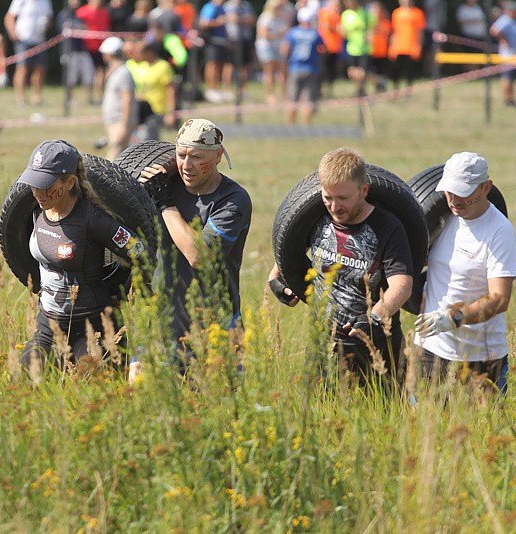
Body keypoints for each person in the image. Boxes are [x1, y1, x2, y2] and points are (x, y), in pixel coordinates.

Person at [0, 140, 149, 370]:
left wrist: (125, 293)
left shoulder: (93, 219)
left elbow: (140, 252)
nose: (37, 193)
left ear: (70, 182)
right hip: (49, 325)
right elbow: (38, 239)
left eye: (45, 185)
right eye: (34, 184)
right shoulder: (36, 212)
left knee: (94, 392)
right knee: (22, 380)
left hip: (93, 326)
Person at [268, 147, 413, 386]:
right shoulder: (316, 217)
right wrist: (276, 278)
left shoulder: (387, 226)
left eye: (343, 199)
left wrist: (373, 318)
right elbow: (290, 247)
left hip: (374, 348)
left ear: (363, 190)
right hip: (322, 346)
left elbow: (402, 284)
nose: (334, 207)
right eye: (328, 198)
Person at [139, 119, 252, 369]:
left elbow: (200, 256)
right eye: (181, 155)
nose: (187, 166)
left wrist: (165, 204)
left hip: (215, 328)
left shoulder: (233, 200)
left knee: (217, 404)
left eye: (197, 157)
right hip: (163, 322)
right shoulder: (164, 183)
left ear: (219, 156)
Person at [414, 153, 516, 394]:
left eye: (464, 192)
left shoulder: (499, 231)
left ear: (486, 187)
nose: (455, 200)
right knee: (425, 426)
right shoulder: (440, 219)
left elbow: (499, 299)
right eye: (449, 191)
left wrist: (452, 318)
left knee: (482, 428)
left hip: (480, 354)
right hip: (430, 348)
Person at [5, 0, 53, 106]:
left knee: (40, 68)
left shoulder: (45, 2)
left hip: (39, 40)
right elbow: (9, 17)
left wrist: (46, 23)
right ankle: (20, 98)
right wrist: (13, 32)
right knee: (23, 68)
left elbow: (49, 18)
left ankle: (36, 97)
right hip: (23, 39)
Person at [281, 7, 324, 125]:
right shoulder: (315, 34)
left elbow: (285, 50)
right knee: (308, 100)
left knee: (292, 99)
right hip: (311, 69)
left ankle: (291, 126)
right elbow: (322, 49)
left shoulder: (293, 32)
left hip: (295, 68)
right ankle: (306, 127)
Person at [129, 41, 176, 140]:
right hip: (143, 109)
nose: (138, 55)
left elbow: (171, 90)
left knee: (151, 141)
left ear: (149, 52)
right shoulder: (143, 66)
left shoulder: (163, 66)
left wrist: (170, 113)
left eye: (140, 52)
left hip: (156, 110)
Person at [100, 37, 137, 160]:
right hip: (114, 121)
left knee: (114, 160)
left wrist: (124, 126)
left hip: (119, 122)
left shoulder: (123, 73)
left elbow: (128, 100)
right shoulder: (115, 71)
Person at [58, 0, 96, 105]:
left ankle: (89, 99)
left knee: (88, 74)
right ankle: (69, 99)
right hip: (70, 51)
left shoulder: (78, 15)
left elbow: (85, 28)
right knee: (71, 77)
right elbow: (64, 32)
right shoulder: (64, 15)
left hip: (82, 50)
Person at [76, 0, 112, 103]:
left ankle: (100, 96)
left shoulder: (105, 12)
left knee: (101, 72)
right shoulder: (82, 12)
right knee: (88, 73)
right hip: (86, 47)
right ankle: (88, 97)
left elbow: (107, 27)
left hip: (101, 47)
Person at [388, 0, 426, 96]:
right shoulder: (396, 13)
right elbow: (394, 31)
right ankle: (396, 90)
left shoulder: (418, 13)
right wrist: (392, 46)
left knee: (410, 71)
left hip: (411, 47)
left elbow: (420, 32)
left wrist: (418, 46)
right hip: (399, 47)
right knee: (396, 70)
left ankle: (408, 92)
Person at [256, 0, 291, 105]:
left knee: (283, 72)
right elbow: (263, 34)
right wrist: (279, 34)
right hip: (267, 47)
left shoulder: (281, 18)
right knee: (269, 72)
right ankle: (270, 95)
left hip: (279, 47)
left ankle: (284, 94)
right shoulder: (265, 18)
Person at [223, 0, 256, 100]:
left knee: (244, 65)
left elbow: (252, 20)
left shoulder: (246, 5)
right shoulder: (227, 6)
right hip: (232, 39)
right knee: (229, 65)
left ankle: (243, 90)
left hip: (245, 39)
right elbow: (230, 19)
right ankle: (227, 90)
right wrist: (241, 20)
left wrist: (240, 19)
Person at [199, 0, 231, 103]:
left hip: (221, 41)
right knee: (212, 64)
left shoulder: (221, 8)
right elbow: (203, 22)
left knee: (218, 65)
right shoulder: (210, 7)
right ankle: (210, 90)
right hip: (212, 41)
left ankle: (216, 88)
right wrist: (218, 22)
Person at [341, 0, 372, 96]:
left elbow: (372, 25)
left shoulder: (364, 13)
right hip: (352, 48)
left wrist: (370, 34)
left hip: (363, 48)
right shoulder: (346, 14)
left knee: (362, 73)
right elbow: (343, 32)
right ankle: (363, 88)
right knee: (352, 73)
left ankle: (361, 92)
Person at [490, 1, 516, 107]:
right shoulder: (505, 19)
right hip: (508, 54)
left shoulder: (512, 20)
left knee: (511, 77)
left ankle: (510, 99)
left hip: (513, 54)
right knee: (507, 77)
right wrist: (503, 40)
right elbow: (494, 30)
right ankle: (507, 99)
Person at [318, 0, 344, 98]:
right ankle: (319, 91)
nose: (338, 6)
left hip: (335, 48)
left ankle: (329, 91)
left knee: (332, 71)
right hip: (325, 47)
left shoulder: (338, 15)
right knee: (322, 70)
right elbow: (326, 26)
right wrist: (337, 28)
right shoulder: (324, 12)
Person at [368, 1, 392, 93]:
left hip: (382, 52)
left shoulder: (385, 23)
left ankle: (381, 88)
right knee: (372, 72)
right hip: (372, 51)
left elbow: (387, 34)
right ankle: (379, 83)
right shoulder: (370, 24)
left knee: (381, 71)